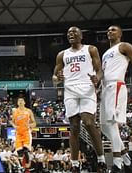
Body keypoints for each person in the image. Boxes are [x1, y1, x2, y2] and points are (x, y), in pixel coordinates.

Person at [52, 26, 107, 173]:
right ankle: (75, 164)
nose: (71, 34)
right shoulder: (62, 54)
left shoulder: (91, 49)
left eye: (74, 32)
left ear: (81, 36)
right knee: (74, 127)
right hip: (70, 90)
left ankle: (101, 159)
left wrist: (98, 78)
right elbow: (54, 77)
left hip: (87, 89)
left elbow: (100, 70)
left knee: (88, 122)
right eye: (69, 33)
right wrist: (57, 78)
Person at [100, 25, 132, 173]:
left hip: (116, 85)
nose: (109, 31)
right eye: (108, 30)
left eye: (113, 30)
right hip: (105, 89)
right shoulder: (105, 53)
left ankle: (117, 164)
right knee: (104, 127)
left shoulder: (124, 46)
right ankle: (128, 161)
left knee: (111, 123)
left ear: (120, 33)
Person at [10, 97, 36, 168]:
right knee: (20, 153)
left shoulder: (29, 111)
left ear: (24, 102)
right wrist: (14, 125)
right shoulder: (15, 112)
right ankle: (22, 167)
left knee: (25, 150)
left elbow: (34, 123)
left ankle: (28, 165)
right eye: (19, 101)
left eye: (22, 100)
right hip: (18, 133)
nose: (20, 102)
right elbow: (11, 121)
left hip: (26, 133)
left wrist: (30, 125)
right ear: (17, 103)